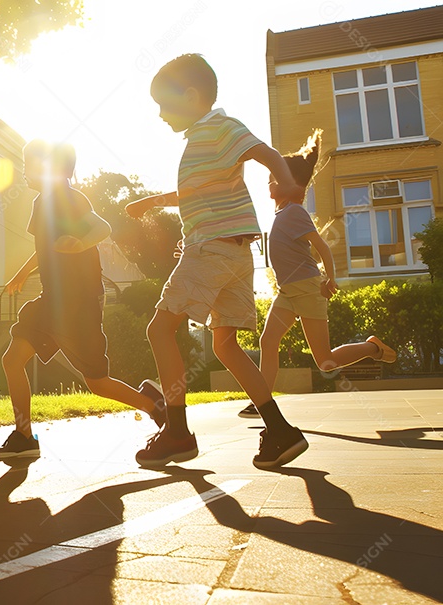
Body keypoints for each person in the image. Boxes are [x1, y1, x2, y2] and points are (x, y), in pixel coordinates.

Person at [126, 53, 309, 470]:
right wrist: (153, 202)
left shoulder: (220, 127)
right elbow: (193, 193)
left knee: (160, 329)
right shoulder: (202, 140)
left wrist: (286, 181)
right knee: (226, 345)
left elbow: (265, 153)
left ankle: (175, 432)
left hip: (211, 249)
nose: (158, 114)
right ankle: (280, 430)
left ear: (191, 96)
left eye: (163, 103)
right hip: (236, 254)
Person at [0, 140, 166, 460]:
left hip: (77, 302)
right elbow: (45, 248)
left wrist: (80, 242)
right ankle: (24, 434)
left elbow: (102, 226)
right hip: (52, 300)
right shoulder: (42, 202)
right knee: (12, 360)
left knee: (96, 382)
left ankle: (153, 405)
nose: (25, 171)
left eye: (29, 165)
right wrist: (21, 274)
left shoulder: (68, 197)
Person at [240, 129, 395, 416]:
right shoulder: (281, 214)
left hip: (308, 289)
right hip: (288, 293)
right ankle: (262, 401)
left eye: (275, 179)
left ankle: (372, 348)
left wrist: (330, 279)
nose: (270, 183)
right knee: (268, 340)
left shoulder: (295, 212)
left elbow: (321, 247)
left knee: (325, 361)